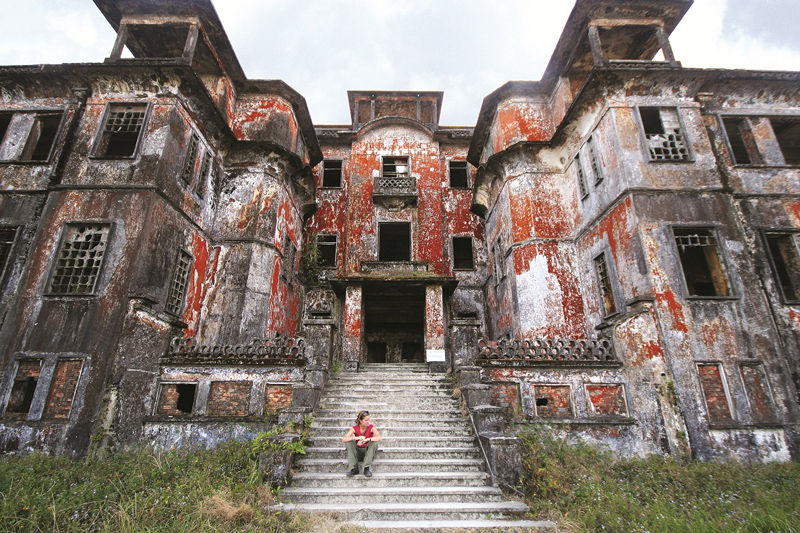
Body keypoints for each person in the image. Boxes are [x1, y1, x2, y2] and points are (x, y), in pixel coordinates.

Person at [342, 410, 381, 477]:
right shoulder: (355, 428)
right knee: (349, 442)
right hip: (358, 452)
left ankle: (366, 468)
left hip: (368, 453)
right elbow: (344, 439)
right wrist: (356, 438)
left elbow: (379, 438)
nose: (368, 422)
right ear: (360, 420)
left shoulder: (371, 427)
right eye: (366, 420)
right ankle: (354, 468)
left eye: (368, 420)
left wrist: (368, 439)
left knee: (374, 442)